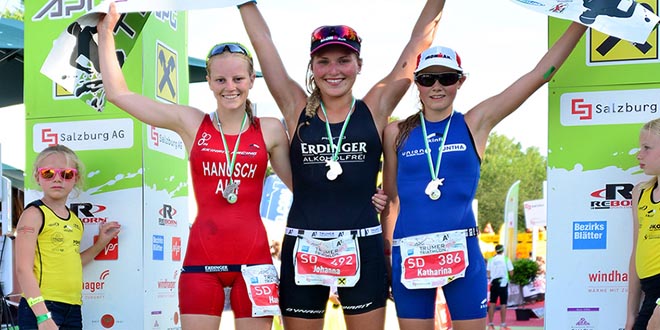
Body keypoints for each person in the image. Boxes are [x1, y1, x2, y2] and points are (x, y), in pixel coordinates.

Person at [238, 1, 445, 329]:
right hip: (303, 246)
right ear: (312, 66)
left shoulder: (375, 107)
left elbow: (418, 43)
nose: (333, 70)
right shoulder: (296, 108)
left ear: (358, 64)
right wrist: (243, 2)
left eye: (344, 60)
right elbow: (263, 42)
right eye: (324, 61)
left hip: (362, 244)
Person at [97, 4, 293, 330]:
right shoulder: (190, 122)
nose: (230, 86)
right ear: (209, 81)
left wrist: (361, 196)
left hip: (254, 263)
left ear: (252, 80)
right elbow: (118, 94)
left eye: (238, 78)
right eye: (220, 79)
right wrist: (106, 33)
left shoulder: (271, 129)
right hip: (202, 261)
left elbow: (301, 186)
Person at [380, 22, 587, 330]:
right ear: (417, 84)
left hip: (463, 257)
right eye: (427, 79)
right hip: (410, 257)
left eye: (447, 78)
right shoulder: (396, 131)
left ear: (460, 81)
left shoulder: (475, 122)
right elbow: (392, 200)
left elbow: (540, 74)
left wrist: (582, 22)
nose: (437, 86)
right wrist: (387, 257)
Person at [15, 145, 121, 329]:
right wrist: (42, 316)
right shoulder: (34, 214)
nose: (57, 179)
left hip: (72, 308)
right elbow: (23, 269)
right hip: (42, 308)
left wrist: (101, 242)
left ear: (75, 178)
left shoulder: (75, 221)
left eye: (66, 174)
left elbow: (73, 261)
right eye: (48, 173)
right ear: (37, 177)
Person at [625, 118, 660, 330]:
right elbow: (636, 252)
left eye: (647, 148)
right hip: (650, 294)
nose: (639, 155)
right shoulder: (640, 192)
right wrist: (630, 315)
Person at [486, 244, 514, 330]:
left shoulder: (491, 260)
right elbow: (511, 272)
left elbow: (488, 272)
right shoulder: (506, 259)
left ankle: (490, 325)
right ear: (503, 250)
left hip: (494, 283)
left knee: (492, 303)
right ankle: (502, 325)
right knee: (503, 304)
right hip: (503, 282)